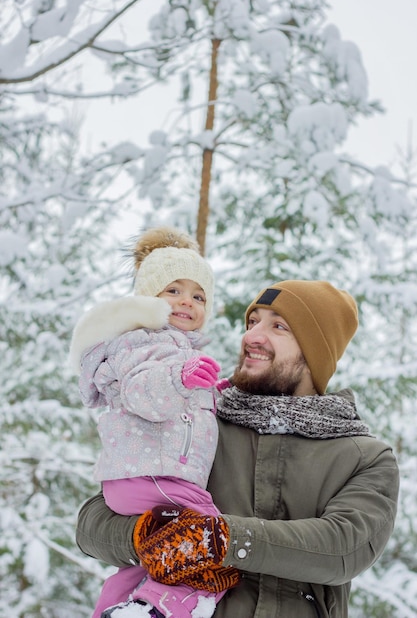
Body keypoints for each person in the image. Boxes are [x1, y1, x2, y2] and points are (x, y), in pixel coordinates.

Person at [76, 279, 400, 618]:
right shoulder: (196, 423)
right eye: (252, 322)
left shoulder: (362, 457)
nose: (252, 336)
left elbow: (344, 549)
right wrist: (150, 536)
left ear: (315, 350)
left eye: (279, 326)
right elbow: (93, 523)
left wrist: (220, 539)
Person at [70, 227, 240, 618]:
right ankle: (159, 609)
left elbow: (188, 410)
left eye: (199, 296)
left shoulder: (171, 349)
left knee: (145, 560)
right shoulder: (144, 341)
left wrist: (214, 389)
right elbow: (141, 391)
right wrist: (179, 379)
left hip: (138, 477)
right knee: (208, 544)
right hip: (156, 476)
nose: (187, 302)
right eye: (173, 290)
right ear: (148, 299)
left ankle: (114, 607)